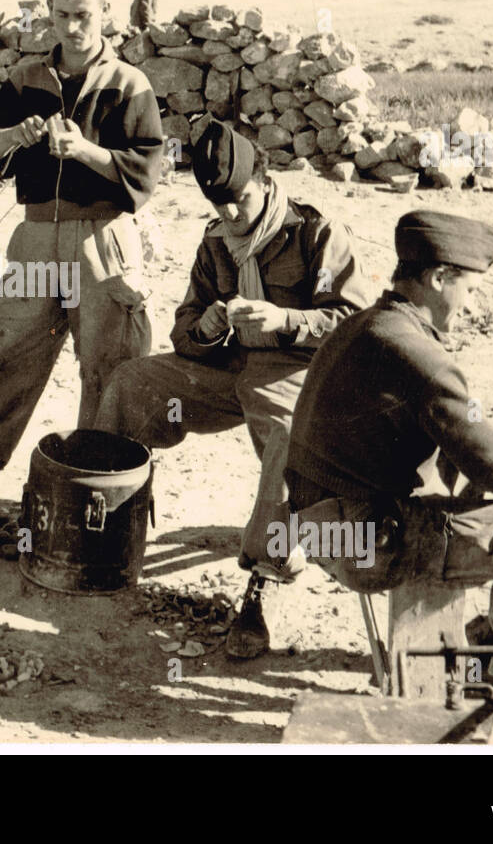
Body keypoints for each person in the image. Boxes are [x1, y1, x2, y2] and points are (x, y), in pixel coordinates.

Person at [94, 118, 371, 658]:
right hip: (230, 367)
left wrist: (285, 320)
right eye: (216, 203)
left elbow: (354, 323)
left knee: (287, 437)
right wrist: (204, 328)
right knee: (133, 383)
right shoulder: (216, 242)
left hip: (298, 371)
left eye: (238, 200)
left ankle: (265, 577)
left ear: (264, 181)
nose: (228, 213)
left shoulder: (315, 233)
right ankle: (107, 534)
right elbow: (184, 328)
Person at [282, 210, 493, 694]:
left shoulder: (365, 325)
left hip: (320, 527)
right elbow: (490, 455)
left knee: (480, 505)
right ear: (439, 278)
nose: (471, 306)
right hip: (364, 542)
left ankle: (482, 645)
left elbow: (460, 438)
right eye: (470, 290)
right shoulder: (416, 352)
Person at [0, 0, 164, 507]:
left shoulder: (130, 83)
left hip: (103, 243)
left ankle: (105, 496)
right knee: (4, 358)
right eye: (61, 14)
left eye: (84, 15)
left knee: (111, 370)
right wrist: (12, 137)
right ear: (48, 10)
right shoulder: (25, 79)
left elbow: (146, 175)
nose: (72, 28)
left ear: (107, 11)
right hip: (34, 242)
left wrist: (87, 152)